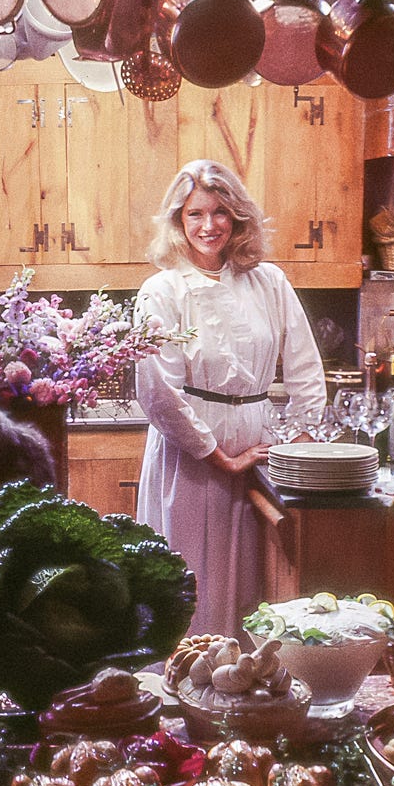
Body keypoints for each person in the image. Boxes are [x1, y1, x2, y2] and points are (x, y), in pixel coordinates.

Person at [134, 160, 327, 638]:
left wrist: (298, 445)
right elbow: (156, 388)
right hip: (191, 455)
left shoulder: (270, 282)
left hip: (262, 451)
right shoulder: (161, 291)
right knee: (192, 580)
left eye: (220, 212)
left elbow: (304, 366)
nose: (209, 225)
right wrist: (218, 456)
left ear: (238, 218)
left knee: (258, 585)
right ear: (178, 221)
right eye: (195, 213)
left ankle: (252, 693)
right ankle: (184, 694)